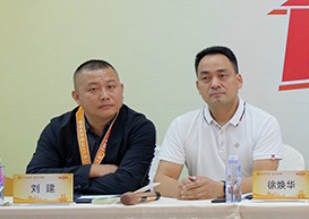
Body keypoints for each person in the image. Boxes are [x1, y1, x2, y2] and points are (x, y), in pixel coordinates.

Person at [153, 46, 283, 200]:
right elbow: (161, 181)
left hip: (247, 211)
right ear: (198, 86)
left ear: (239, 81)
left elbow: (265, 180)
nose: (214, 84)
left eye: (222, 76)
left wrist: (222, 189)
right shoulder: (182, 125)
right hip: (199, 211)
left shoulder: (264, 123)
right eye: (206, 78)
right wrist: (186, 190)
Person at [27, 59, 156, 195]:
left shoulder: (140, 127)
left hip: (122, 206)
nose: (105, 96)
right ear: (77, 97)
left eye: (111, 87)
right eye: (94, 89)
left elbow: (126, 183)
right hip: (69, 207)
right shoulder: (57, 129)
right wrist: (92, 170)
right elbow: (34, 178)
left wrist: (67, 184)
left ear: (121, 89)